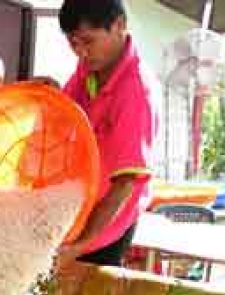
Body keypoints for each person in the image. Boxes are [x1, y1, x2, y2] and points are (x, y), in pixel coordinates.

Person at [55, 0, 160, 267]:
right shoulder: (90, 67)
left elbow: (125, 184)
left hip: (109, 217)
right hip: (78, 202)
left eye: (88, 41)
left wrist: (80, 246)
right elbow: (65, 114)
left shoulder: (137, 92)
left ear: (119, 26)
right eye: (73, 44)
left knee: (90, 288)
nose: (80, 53)